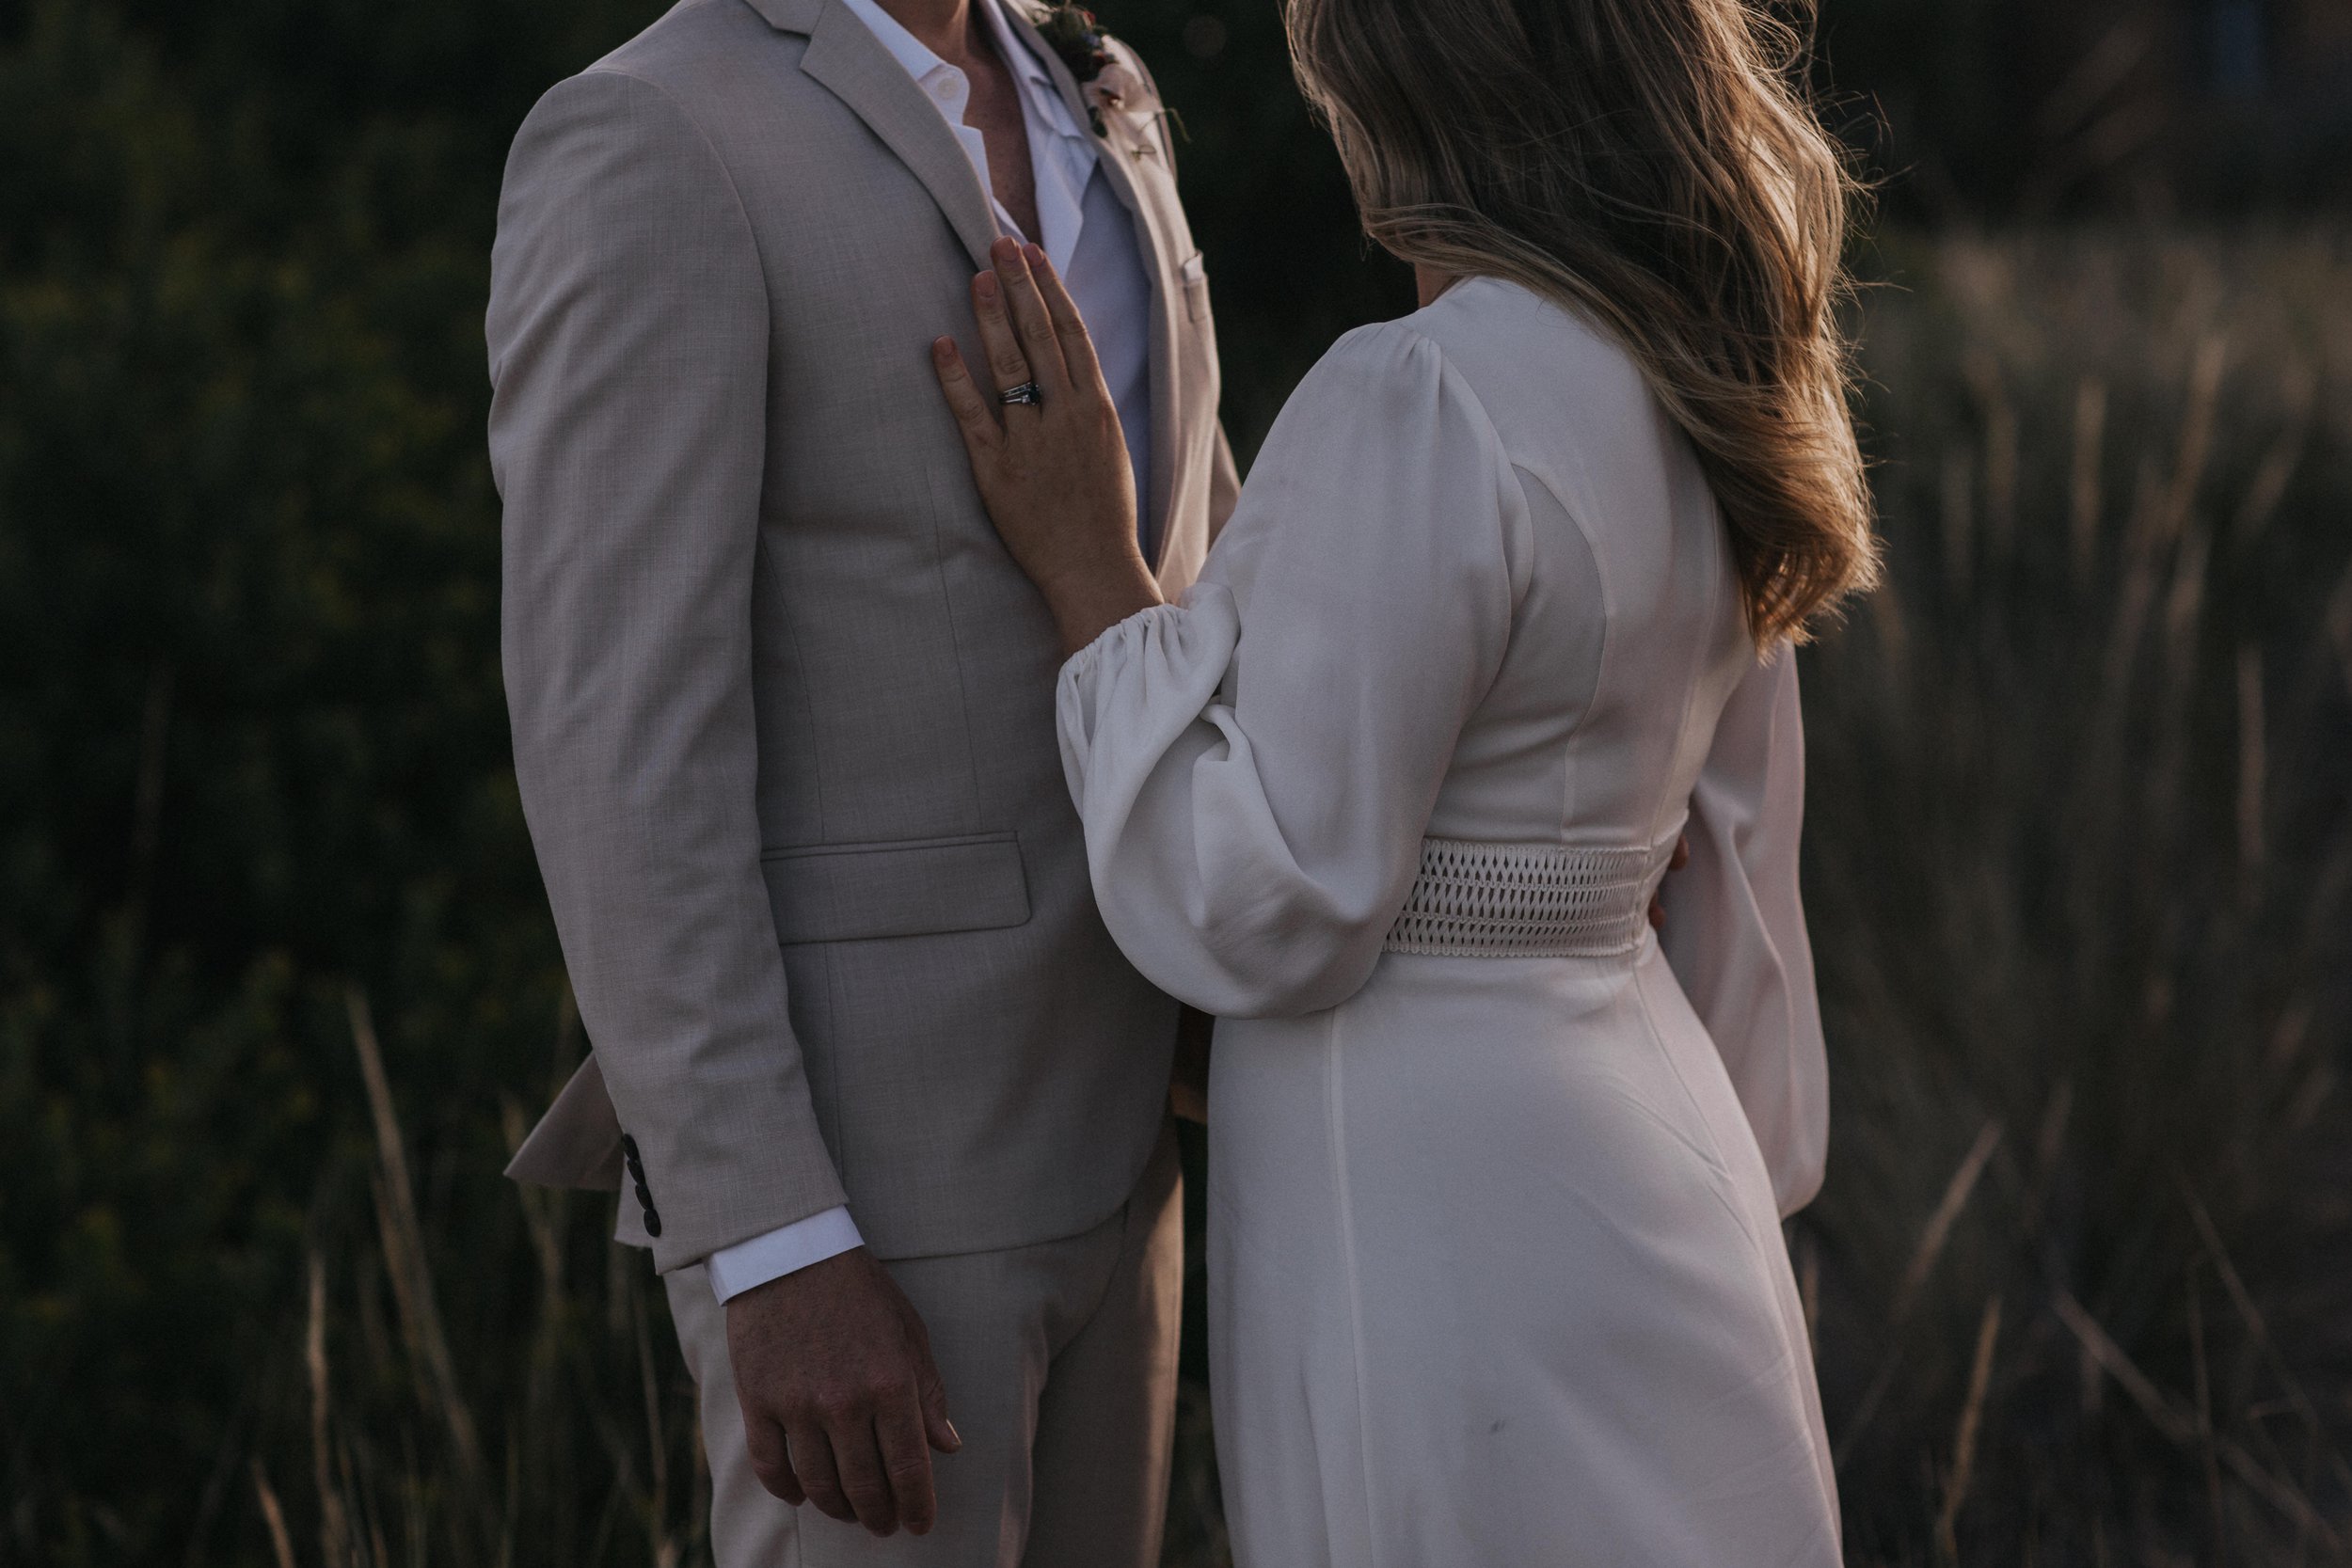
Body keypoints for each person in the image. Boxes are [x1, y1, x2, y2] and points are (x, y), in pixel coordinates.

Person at [924, 0, 1879, 1555]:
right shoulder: (1706, 374)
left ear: (1403, 97)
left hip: (1443, 1211)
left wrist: (1091, 571)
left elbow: (1254, 896)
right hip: (1657, 1157)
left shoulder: (1422, 396)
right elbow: (1740, 879)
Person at [483, 0, 1239, 1559]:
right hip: (871, 1192)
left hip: (1139, 1121)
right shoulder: (650, 136)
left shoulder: (1098, 86)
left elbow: (1197, 555)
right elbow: (618, 745)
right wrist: (770, 1238)